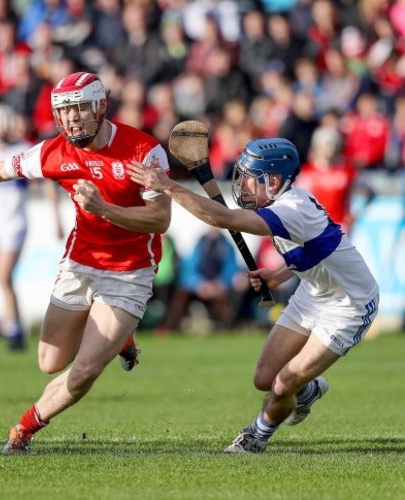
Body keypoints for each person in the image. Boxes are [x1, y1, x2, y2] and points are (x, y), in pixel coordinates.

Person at [0, 71, 172, 454]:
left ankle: (24, 429)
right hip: (80, 264)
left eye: (80, 110)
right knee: (50, 361)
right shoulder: (56, 151)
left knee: (83, 371)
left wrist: (104, 208)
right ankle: (119, 339)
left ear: (101, 106)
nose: (71, 120)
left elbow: (160, 219)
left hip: (129, 274)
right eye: (64, 112)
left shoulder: (143, 152)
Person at [127, 137, 379, 454]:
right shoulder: (282, 203)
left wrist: (168, 187)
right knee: (265, 379)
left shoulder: (292, 210)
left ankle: (255, 437)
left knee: (283, 383)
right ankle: (308, 390)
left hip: (349, 307)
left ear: (273, 181)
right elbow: (319, 250)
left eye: (249, 178)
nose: (242, 184)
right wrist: (280, 273)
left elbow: (224, 218)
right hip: (313, 294)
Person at [0, 103, 62, 351]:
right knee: (2, 279)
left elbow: (46, 182)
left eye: (2, 121)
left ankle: (13, 328)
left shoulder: (22, 150)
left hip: (15, 223)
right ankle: (15, 328)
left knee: (4, 275)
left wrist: (56, 218)